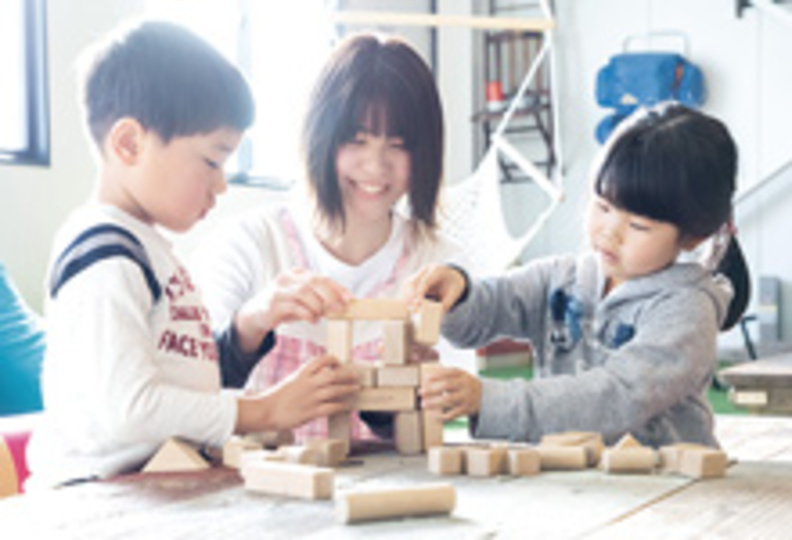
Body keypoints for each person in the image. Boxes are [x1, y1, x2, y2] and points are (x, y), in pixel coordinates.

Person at [26, 21, 359, 490]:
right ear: (129, 144)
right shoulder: (104, 254)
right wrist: (263, 410)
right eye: (212, 160)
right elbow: (130, 410)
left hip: (149, 489)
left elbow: (187, 388)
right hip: (94, 497)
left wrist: (250, 327)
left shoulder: (148, 250)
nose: (221, 185)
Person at [406, 103, 750, 448]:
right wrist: (458, 293)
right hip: (574, 474)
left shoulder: (687, 310)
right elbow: (493, 304)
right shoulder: (562, 278)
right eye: (602, 206)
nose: (609, 232)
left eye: (638, 226)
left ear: (693, 236)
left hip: (666, 477)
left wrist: (491, 400)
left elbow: (617, 398)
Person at [192, 33, 463, 442]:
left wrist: (399, 392)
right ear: (321, 137)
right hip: (257, 480)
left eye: (398, 145)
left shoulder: (439, 270)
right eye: (357, 141)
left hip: (384, 481)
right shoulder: (247, 244)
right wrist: (253, 322)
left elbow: (437, 427)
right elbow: (194, 394)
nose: (376, 166)